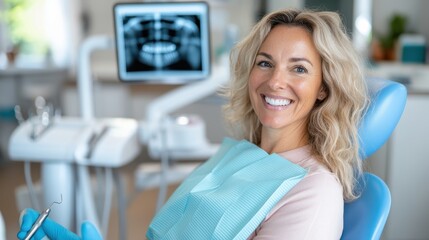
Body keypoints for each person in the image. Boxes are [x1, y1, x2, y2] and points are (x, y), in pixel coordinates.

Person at [17, 8, 368, 240]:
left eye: (299, 68)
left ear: (323, 88)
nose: (275, 81)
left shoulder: (313, 191)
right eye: (265, 63)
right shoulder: (239, 152)